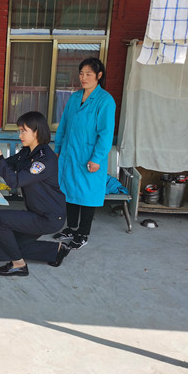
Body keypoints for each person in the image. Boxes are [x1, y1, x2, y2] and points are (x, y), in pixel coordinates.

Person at [0, 111, 68, 276]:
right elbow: (5, 167)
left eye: (23, 131)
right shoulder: (27, 153)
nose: (19, 135)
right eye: (19, 130)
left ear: (36, 132)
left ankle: (19, 265)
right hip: (37, 212)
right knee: (13, 246)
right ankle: (57, 250)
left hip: (48, 217)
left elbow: (15, 181)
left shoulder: (44, 160)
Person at [53, 57, 116, 250]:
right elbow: (63, 125)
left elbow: (106, 134)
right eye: (81, 73)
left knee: (88, 195)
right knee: (69, 191)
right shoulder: (74, 98)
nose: (84, 77)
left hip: (89, 156)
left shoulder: (105, 100)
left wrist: (97, 158)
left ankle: (82, 234)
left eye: (89, 74)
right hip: (70, 154)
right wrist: (58, 149)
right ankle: (71, 228)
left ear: (99, 75)